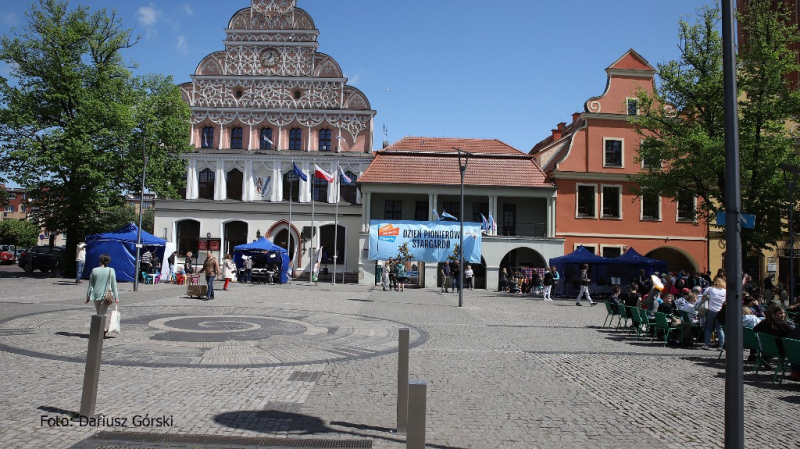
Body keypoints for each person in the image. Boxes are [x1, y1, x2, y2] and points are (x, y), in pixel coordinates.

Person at [84, 253, 118, 337]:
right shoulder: (111, 270)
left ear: (100, 261)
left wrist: (88, 296)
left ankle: (101, 331)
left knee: (100, 312)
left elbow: (91, 285)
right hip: (107, 296)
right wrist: (117, 297)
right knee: (101, 313)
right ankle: (102, 330)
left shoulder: (94, 270)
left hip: (95, 295)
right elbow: (114, 285)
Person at [701, 277, 726, 350]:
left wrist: (709, 297)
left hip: (711, 310)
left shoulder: (709, 289)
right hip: (720, 311)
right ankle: (721, 346)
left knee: (708, 328)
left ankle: (706, 345)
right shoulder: (725, 291)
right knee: (720, 329)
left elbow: (702, 298)